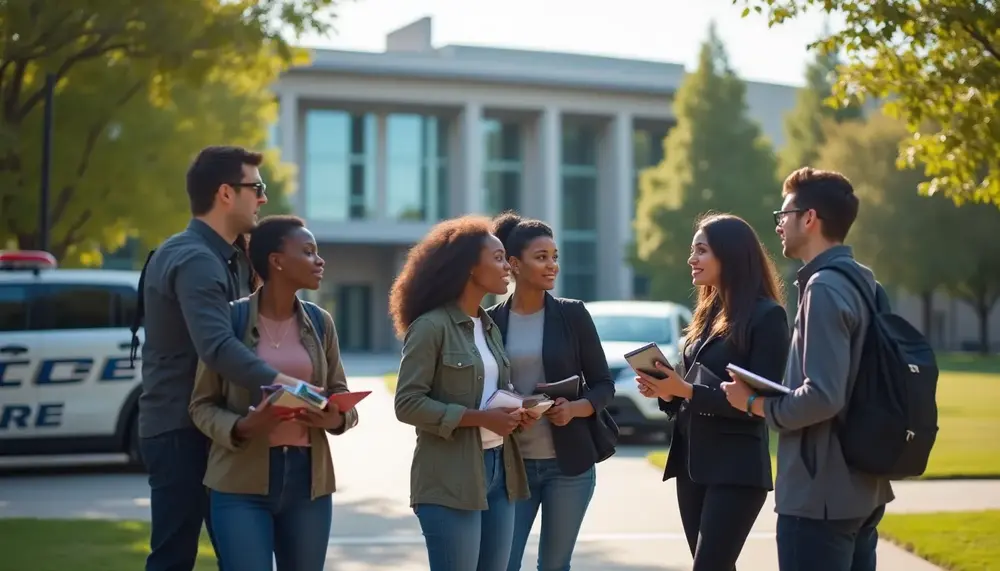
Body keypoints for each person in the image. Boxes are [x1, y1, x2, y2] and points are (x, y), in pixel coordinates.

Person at [136, 146, 308, 571]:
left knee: (239, 557)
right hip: (181, 430)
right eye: (257, 188)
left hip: (215, 425)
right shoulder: (194, 259)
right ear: (226, 194)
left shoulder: (229, 256)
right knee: (175, 557)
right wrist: (285, 384)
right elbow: (216, 346)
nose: (263, 199)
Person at [721, 167, 894, 571]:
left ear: (809, 218)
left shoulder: (823, 289)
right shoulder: (865, 281)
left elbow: (824, 395)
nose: (779, 226)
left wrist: (755, 405)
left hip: (820, 497)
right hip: (863, 485)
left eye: (784, 216)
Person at [189, 215, 358, 571]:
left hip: (308, 483)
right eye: (308, 252)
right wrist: (244, 426)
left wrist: (337, 416)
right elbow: (201, 406)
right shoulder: (229, 322)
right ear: (277, 261)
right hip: (239, 482)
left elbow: (340, 392)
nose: (319, 260)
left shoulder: (320, 322)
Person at [635, 212, 789, 571]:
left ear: (730, 255)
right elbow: (690, 390)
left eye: (701, 251)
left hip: (736, 468)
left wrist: (685, 390)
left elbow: (759, 403)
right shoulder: (708, 313)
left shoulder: (768, 317)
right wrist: (667, 391)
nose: (692, 259)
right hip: (693, 465)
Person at [390, 215, 530, 571]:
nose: (507, 267)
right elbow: (407, 403)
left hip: (501, 470)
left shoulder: (488, 326)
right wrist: (480, 419)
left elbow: (489, 390)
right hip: (449, 477)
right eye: (498, 258)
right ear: (470, 267)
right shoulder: (430, 327)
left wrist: (519, 410)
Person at [485, 212, 615, 571]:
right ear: (514, 263)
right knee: (502, 563)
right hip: (512, 466)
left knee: (554, 566)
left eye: (554, 257)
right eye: (541, 257)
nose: (552, 265)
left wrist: (576, 409)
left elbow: (604, 384)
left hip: (569, 466)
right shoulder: (490, 321)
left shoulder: (573, 315)